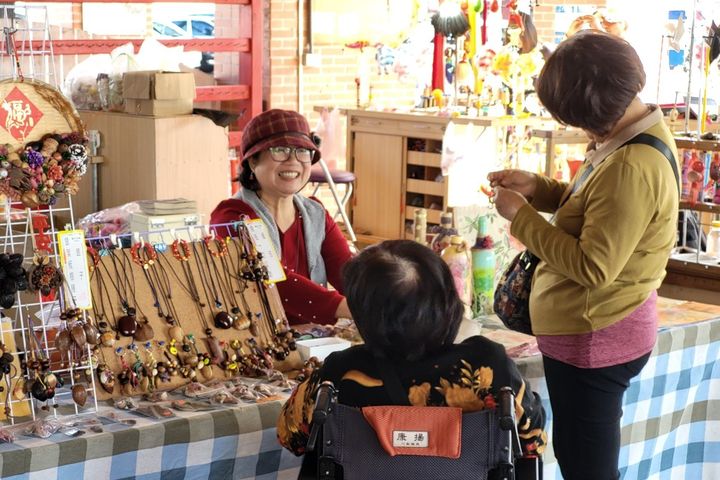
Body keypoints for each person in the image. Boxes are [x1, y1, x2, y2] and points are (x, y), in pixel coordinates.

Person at [489, 31, 679, 480]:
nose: (574, 128)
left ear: (590, 112)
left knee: (585, 466)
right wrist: (541, 189)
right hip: (595, 329)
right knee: (580, 455)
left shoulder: (632, 165)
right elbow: (596, 210)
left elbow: (594, 267)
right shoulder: (634, 133)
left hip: (595, 336)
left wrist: (522, 218)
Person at [277, 240, 546, 470]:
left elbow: (289, 436)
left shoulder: (340, 372)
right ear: (447, 304)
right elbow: (533, 440)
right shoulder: (487, 364)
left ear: (363, 316)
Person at [210, 109, 353, 325]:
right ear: (252, 161)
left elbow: (349, 272)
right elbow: (270, 277)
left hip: (314, 338)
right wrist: (346, 308)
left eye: (302, 151)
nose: (293, 161)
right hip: (256, 341)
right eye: (280, 150)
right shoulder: (233, 217)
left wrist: (381, 297)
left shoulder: (315, 214)